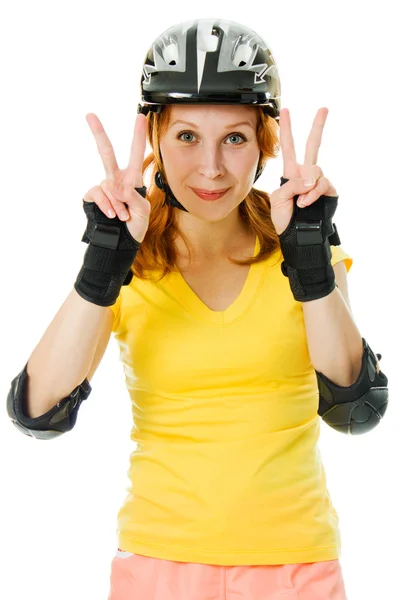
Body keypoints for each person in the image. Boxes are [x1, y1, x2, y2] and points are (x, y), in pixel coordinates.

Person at [7, 17, 388, 600]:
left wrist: (309, 256)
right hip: (160, 566)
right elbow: (38, 410)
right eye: (187, 136)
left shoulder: (304, 240)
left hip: (296, 567)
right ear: (156, 136)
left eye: (234, 138)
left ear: (264, 141)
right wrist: (104, 260)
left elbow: (351, 404)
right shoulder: (126, 257)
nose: (210, 168)